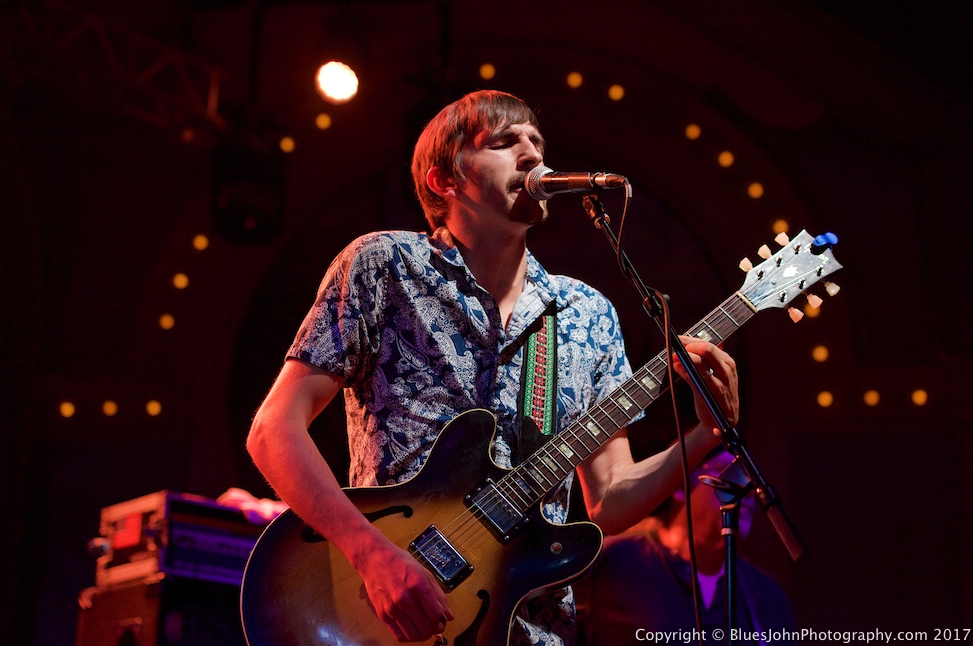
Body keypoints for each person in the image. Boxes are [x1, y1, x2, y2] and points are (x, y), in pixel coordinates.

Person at [245, 89, 739, 645]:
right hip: (385, 611)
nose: (533, 154)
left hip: (531, 627)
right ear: (444, 180)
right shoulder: (384, 266)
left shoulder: (587, 314)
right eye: (506, 142)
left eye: (537, 141)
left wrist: (706, 432)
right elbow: (273, 431)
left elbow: (607, 499)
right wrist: (371, 554)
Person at [579, 449, 795, 645]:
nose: (745, 490)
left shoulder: (767, 596)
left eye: (750, 481)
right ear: (680, 486)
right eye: (725, 472)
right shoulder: (614, 560)